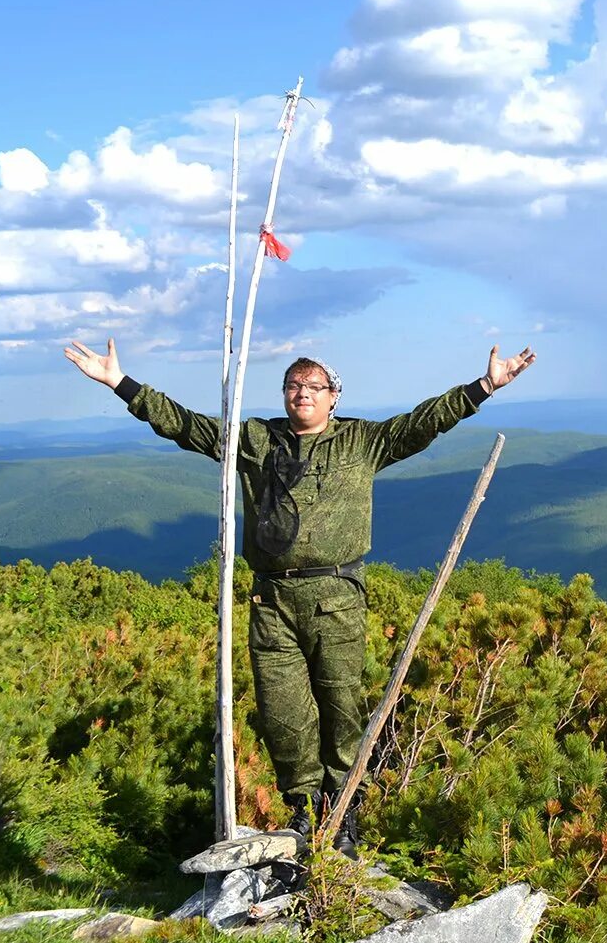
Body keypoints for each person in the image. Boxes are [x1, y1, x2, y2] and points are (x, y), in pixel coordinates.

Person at [63, 338, 536, 857]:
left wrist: (486, 385)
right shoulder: (257, 441)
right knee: (282, 711)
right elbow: (186, 425)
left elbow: (426, 421)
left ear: (335, 396)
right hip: (272, 599)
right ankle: (305, 811)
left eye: (313, 386)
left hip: (336, 593)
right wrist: (120, 384)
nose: (301, 393)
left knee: (341, 705)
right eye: (293, 385)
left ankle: (344, 810)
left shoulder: (361, 441)